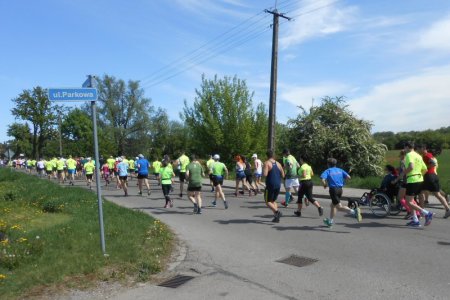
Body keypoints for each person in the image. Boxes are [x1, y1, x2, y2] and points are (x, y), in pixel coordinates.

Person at [400, 142, 435, 227]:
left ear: (408, 147)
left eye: (405, 148)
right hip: (419, 179)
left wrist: (403, 173)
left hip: (412, 180)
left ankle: (427, 213)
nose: (404, 149)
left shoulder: (409, 155)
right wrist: (419, 176)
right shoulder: (418, 155)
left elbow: (411, 167)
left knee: (408, 201)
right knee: (411, 201)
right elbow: (425, 169)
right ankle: (415, 220)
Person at [321, 158, 362, 227]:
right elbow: (349, 177)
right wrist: (343, 182)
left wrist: (325, 185)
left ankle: (354, 212)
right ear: (335, 164)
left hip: (333, 190)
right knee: (333, 205)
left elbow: (323, 179)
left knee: (339, 207)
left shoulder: (328, 171)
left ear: (328, 164)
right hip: (340, 190)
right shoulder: (340, 170)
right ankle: (330, 221)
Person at [416, 144, 450, 218]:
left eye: (418, 149)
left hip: (428, 176)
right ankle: (447, 209)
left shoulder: (426, 156)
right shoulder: (429, 154)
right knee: (437, 194)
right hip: (434, 176)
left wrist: (426, 168)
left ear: (423, 148)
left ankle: (421, 212)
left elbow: (433, 163)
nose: (418, 151)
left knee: (420, 193)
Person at [263, 149, 285, 223]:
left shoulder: (267, 163)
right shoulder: (278, 164)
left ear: (267, 156)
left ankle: (277, 212)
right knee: (273, 201)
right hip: (278, 184)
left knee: (268, 201)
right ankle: (276, 217)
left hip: (270, 184)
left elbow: (265, 174)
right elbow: (283, 175)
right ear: (273, 155)